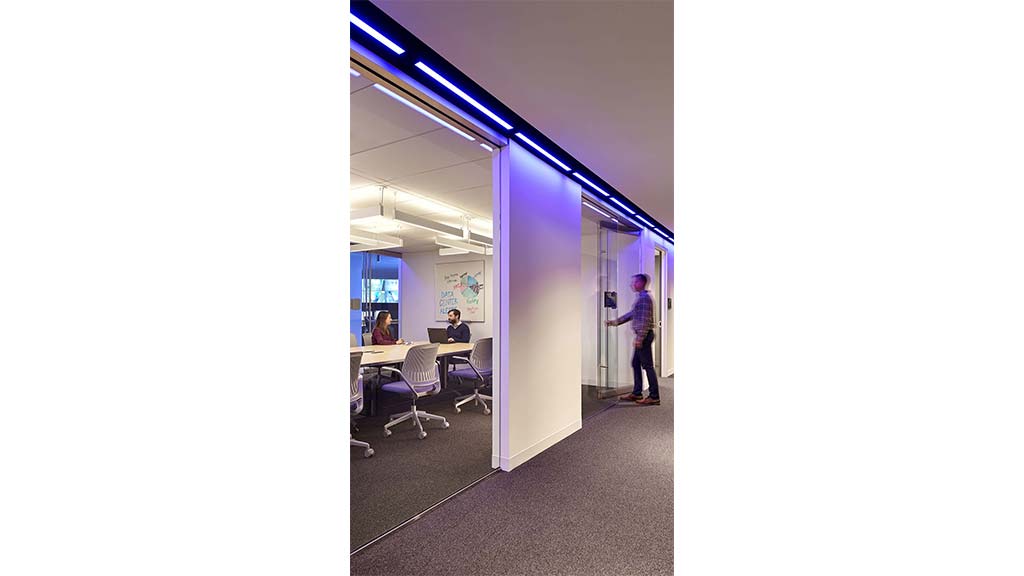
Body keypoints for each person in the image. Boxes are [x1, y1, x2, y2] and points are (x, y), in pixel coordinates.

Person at [606, 273, 659, 405]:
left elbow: (645, 321)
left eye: (634, 282)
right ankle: (637, 393)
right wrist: (615, 322)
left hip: (644, 335)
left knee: (648, 366)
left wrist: (640, 338)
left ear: (641, 283)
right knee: (636, 363)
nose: (632, 284)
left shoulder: (644, 298)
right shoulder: (641, 298)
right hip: (643, 335)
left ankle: (654, 396)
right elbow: (632, 314)